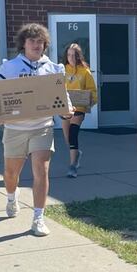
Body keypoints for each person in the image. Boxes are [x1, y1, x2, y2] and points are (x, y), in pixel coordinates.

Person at [0, 23, 72, 237]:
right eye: (32, 41)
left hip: (42, 128)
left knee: (41, 171)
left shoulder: (53, 68)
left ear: (45, 45)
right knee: (10, 173)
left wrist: (67, 110)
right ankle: (11, 197)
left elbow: (62, 97)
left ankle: (38, 218)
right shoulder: (10, 68)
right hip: (15, 128)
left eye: (40, 41)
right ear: (23, 44)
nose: (36, 45)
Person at [60, 43, 97, 178]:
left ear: (79, 56)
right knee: (67, 139)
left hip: (79, 108)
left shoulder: (84, 71)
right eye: (69, 55)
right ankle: (77, 154)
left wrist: (90, 101)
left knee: (73, 134)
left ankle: (72, 166)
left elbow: (93, 91)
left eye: (74, 55)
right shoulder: (62, 70)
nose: (71, 58)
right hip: (65, 108)